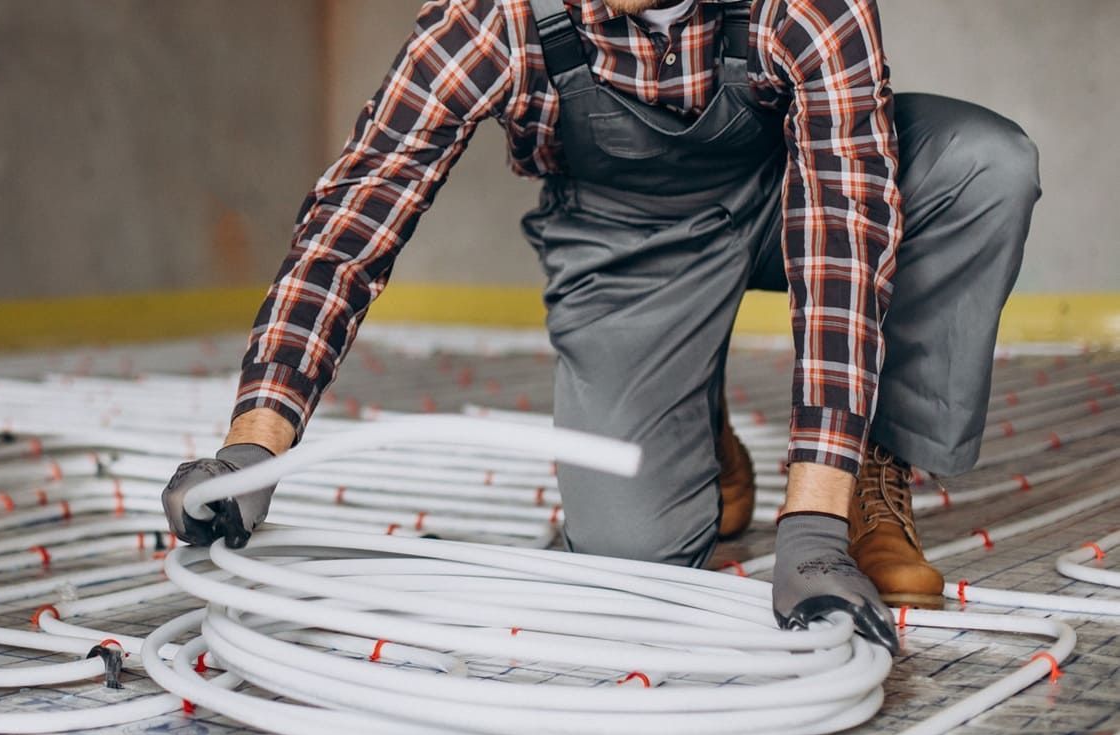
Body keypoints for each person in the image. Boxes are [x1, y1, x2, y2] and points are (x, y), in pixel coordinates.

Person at [162, 0, 1040, 655]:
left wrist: (813, 519)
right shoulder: (494, 17)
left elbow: (844, 234)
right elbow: (357, 218)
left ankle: (873, 467)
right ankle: (692, 415)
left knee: (982, 166)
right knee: (627, 553)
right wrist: (253, 446)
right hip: (629, 242)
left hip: (788, 186)